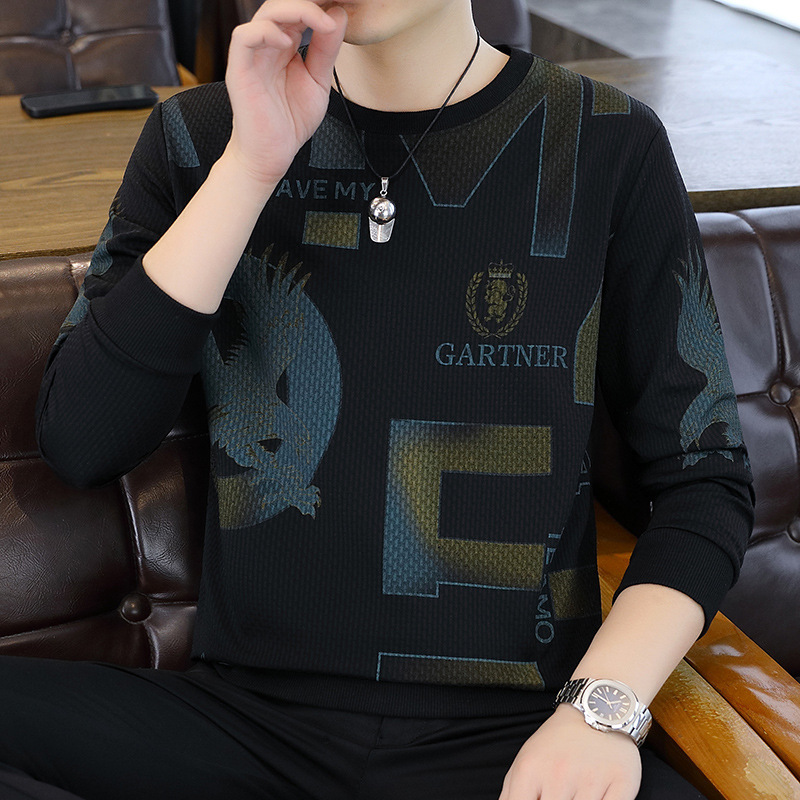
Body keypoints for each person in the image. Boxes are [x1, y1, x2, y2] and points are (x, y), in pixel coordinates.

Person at [2, 1, 753, 798]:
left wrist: (599, 713)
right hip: (245, 725)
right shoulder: (200, 135)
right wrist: (250, 167)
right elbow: (83, 440)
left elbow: (704, 482)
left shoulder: (606, 141)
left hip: (513, 740)